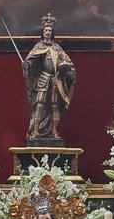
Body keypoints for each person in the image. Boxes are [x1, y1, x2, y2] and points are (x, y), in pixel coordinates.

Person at [22, 12, 76, 142]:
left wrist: (66, 69)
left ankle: (54, 132)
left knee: (55, 106)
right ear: (43, 32)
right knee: (39, 104)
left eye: (50, 31)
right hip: (43, 78)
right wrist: (27, 65)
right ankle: (35, 132)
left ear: (52, 33)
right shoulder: (38, 47)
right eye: (46, 30)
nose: (48, 32)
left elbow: (67, 63)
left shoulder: (57, 48)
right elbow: (31, 60)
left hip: (55, 80)